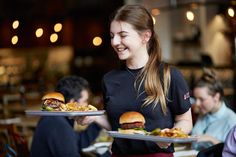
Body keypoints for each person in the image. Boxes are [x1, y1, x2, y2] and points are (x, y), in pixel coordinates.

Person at [76, 4, 193, 157]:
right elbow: (117, 126)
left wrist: (170, 135)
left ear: (145, 36)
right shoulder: (109, 80)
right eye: (112, 36)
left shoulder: (170, 76)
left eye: (123, 35)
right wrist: (94, 117)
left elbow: (185, 120)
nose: (115, 42)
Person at [30, 75, 102, 157]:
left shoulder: (55, 117)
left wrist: (97, 122)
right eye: (85, 101)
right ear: (72, 103)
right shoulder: (57, 124)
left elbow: (77, 142)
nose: (87, 105)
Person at [191, 68, 236, 151]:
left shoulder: (232, 120)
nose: (197, 103)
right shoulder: (203, 113)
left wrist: (211, 139)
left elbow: (232, 151)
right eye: (196, 99)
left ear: (216, 97)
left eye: (201, 99)